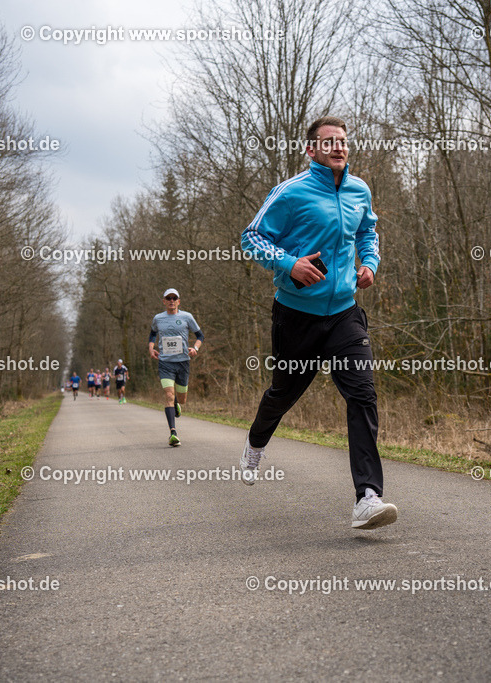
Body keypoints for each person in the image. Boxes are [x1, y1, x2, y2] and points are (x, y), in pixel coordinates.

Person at [239, 115, 397, 530]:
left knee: (363, 395)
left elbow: (368, 232)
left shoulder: (360, 189)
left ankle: (367, 496)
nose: (338, 148)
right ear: (311, 150)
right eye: (329, 143)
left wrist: (370, 264)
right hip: (297, 315)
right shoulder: (291, 193)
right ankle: (256, 443)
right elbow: (251, 237)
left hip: (345, 313)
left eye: (343, 141)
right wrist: (290, 264)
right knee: (282, 393)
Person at [148, 288, 203, 447]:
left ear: (178, 301)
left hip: (183, 362)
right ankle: (173, 432)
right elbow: (152, 334)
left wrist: (195, 348)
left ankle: (177, 404)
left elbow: (200, 336)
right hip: (165, 362)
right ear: (164, 301)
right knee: (169, 395)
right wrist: (151, 348)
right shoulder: (158, 318)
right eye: (168, 298)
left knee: (182, 399)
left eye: (174, 298)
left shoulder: (187, 317)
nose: (171, 300)